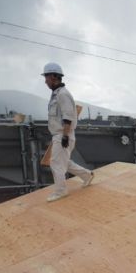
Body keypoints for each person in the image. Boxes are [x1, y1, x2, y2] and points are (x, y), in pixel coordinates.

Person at [42, 62, 93, 201]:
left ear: (53, 76)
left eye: (46, 77)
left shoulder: (63, 94)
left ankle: (60, 191)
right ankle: (87, 175)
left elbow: (68, 117)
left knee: (56, 163)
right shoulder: (56, 94)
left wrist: (64, 136)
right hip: (61, 134)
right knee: (64, 162)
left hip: (63, 134)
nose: (45, 80)